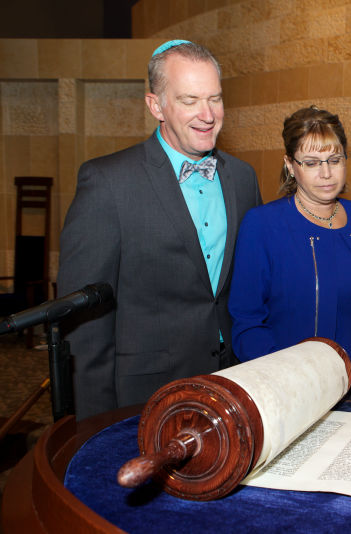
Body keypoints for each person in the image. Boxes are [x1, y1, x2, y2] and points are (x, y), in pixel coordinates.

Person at [57, 40, 262, 420]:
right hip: (144, 397)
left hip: (232, 385)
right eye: (189, 100)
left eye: (215, 99)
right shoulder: (107, 182)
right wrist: (96, 427)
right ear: (156, 106)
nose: (207, 114)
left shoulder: (242, 179)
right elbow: (84, 328)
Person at [228, 106, 351, 391]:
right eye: (311, 163)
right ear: (290, 164)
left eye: (334, 160)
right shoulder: (262, 224)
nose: (326, 173)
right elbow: (247, 322)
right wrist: (287, 378)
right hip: (288, 387)